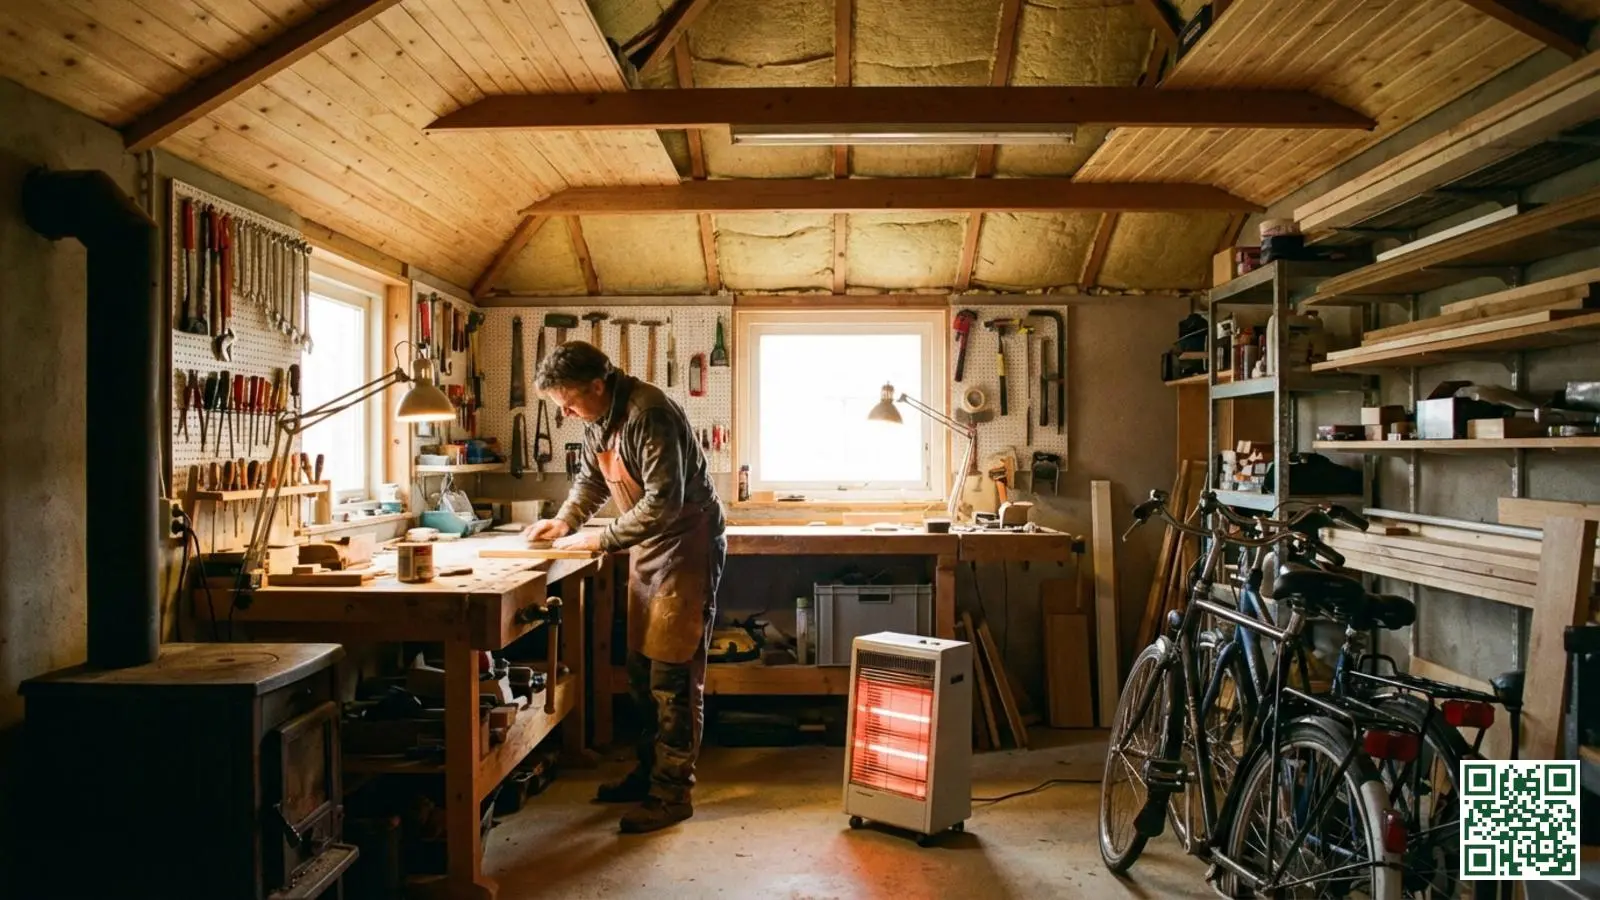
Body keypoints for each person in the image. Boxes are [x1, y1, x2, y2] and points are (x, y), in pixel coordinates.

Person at [524, 341, 726, 834]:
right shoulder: (599, 420)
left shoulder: (648, 413)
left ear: (598, 384)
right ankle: (647, 773)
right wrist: (565, 521)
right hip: (648, 549)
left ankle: (672, 792)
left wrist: (605, 537)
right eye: (560, 407)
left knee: (671, 678)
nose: (568, 413)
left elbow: (665, 500)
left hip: (686, 546)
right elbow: (592, 481)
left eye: (570, 402)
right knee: (639, 671)